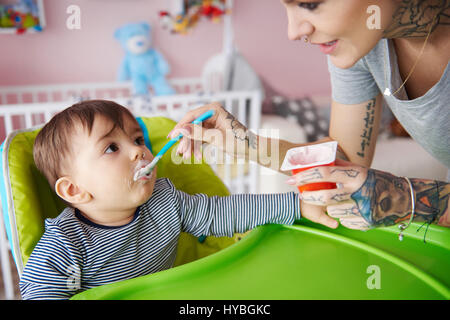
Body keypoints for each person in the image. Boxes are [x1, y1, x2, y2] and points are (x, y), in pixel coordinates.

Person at [167, 0, 450, 231]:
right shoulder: (363, 44)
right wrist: (248, 144)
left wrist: (409, 197)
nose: (294, 30)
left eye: (311, 4)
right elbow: (346, 158)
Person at [20, 100, 302, 300]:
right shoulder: (65, 243)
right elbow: (40, 292)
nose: (138, 151)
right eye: (111, 148)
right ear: (73, 191)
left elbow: (220, 213)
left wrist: (296, 204)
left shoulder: (164, 201)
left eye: (138, 139)